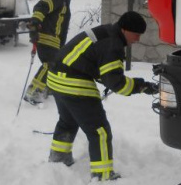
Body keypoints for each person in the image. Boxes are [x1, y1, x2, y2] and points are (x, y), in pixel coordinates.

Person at [46, 11, 159, 181]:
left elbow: (92, 60)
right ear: (125, 30)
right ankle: (103, 174)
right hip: (74, 84)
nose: (137, 39)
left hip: (56, 78)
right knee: (99, 131)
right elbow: (117, 84)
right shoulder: (113, 44)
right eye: (136, 34)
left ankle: (59, 159)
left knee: (67, 121)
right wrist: (142, 86)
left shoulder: (106, 32)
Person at [24, 0, 77, 104]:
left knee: (56, 64)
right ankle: (34, 91)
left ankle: (47, 88)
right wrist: (35, 24)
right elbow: (41, 7)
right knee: (50, 64)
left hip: (54, 38)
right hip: (47, 36)